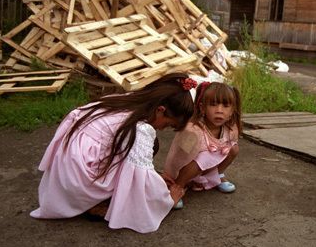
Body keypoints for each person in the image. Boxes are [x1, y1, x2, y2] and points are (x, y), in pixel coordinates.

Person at [30, 73, 196, 233]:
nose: (162, 128)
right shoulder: (140, 129)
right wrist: (168, 200)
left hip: (66, 169)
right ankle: (97, 201)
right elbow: (139, 175)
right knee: (148, 146)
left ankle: (92, 199)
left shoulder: (123, 100)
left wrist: (155, 175)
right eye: (167, 124)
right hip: (79, 180)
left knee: (148, 146)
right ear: (160, 110)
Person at [162, 81, 241, 209]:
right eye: (213, 105)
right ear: (202, 108)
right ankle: (178, 186)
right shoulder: (193, 130)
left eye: (225, 106)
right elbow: (178, 158)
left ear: (232, 111)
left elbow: (231, 145)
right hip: (185, 169)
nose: (219, 111)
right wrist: (172, 177)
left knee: (233, 148)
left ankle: (217, 175)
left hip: (205, 168)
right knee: (204, 157)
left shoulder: (229, 127)